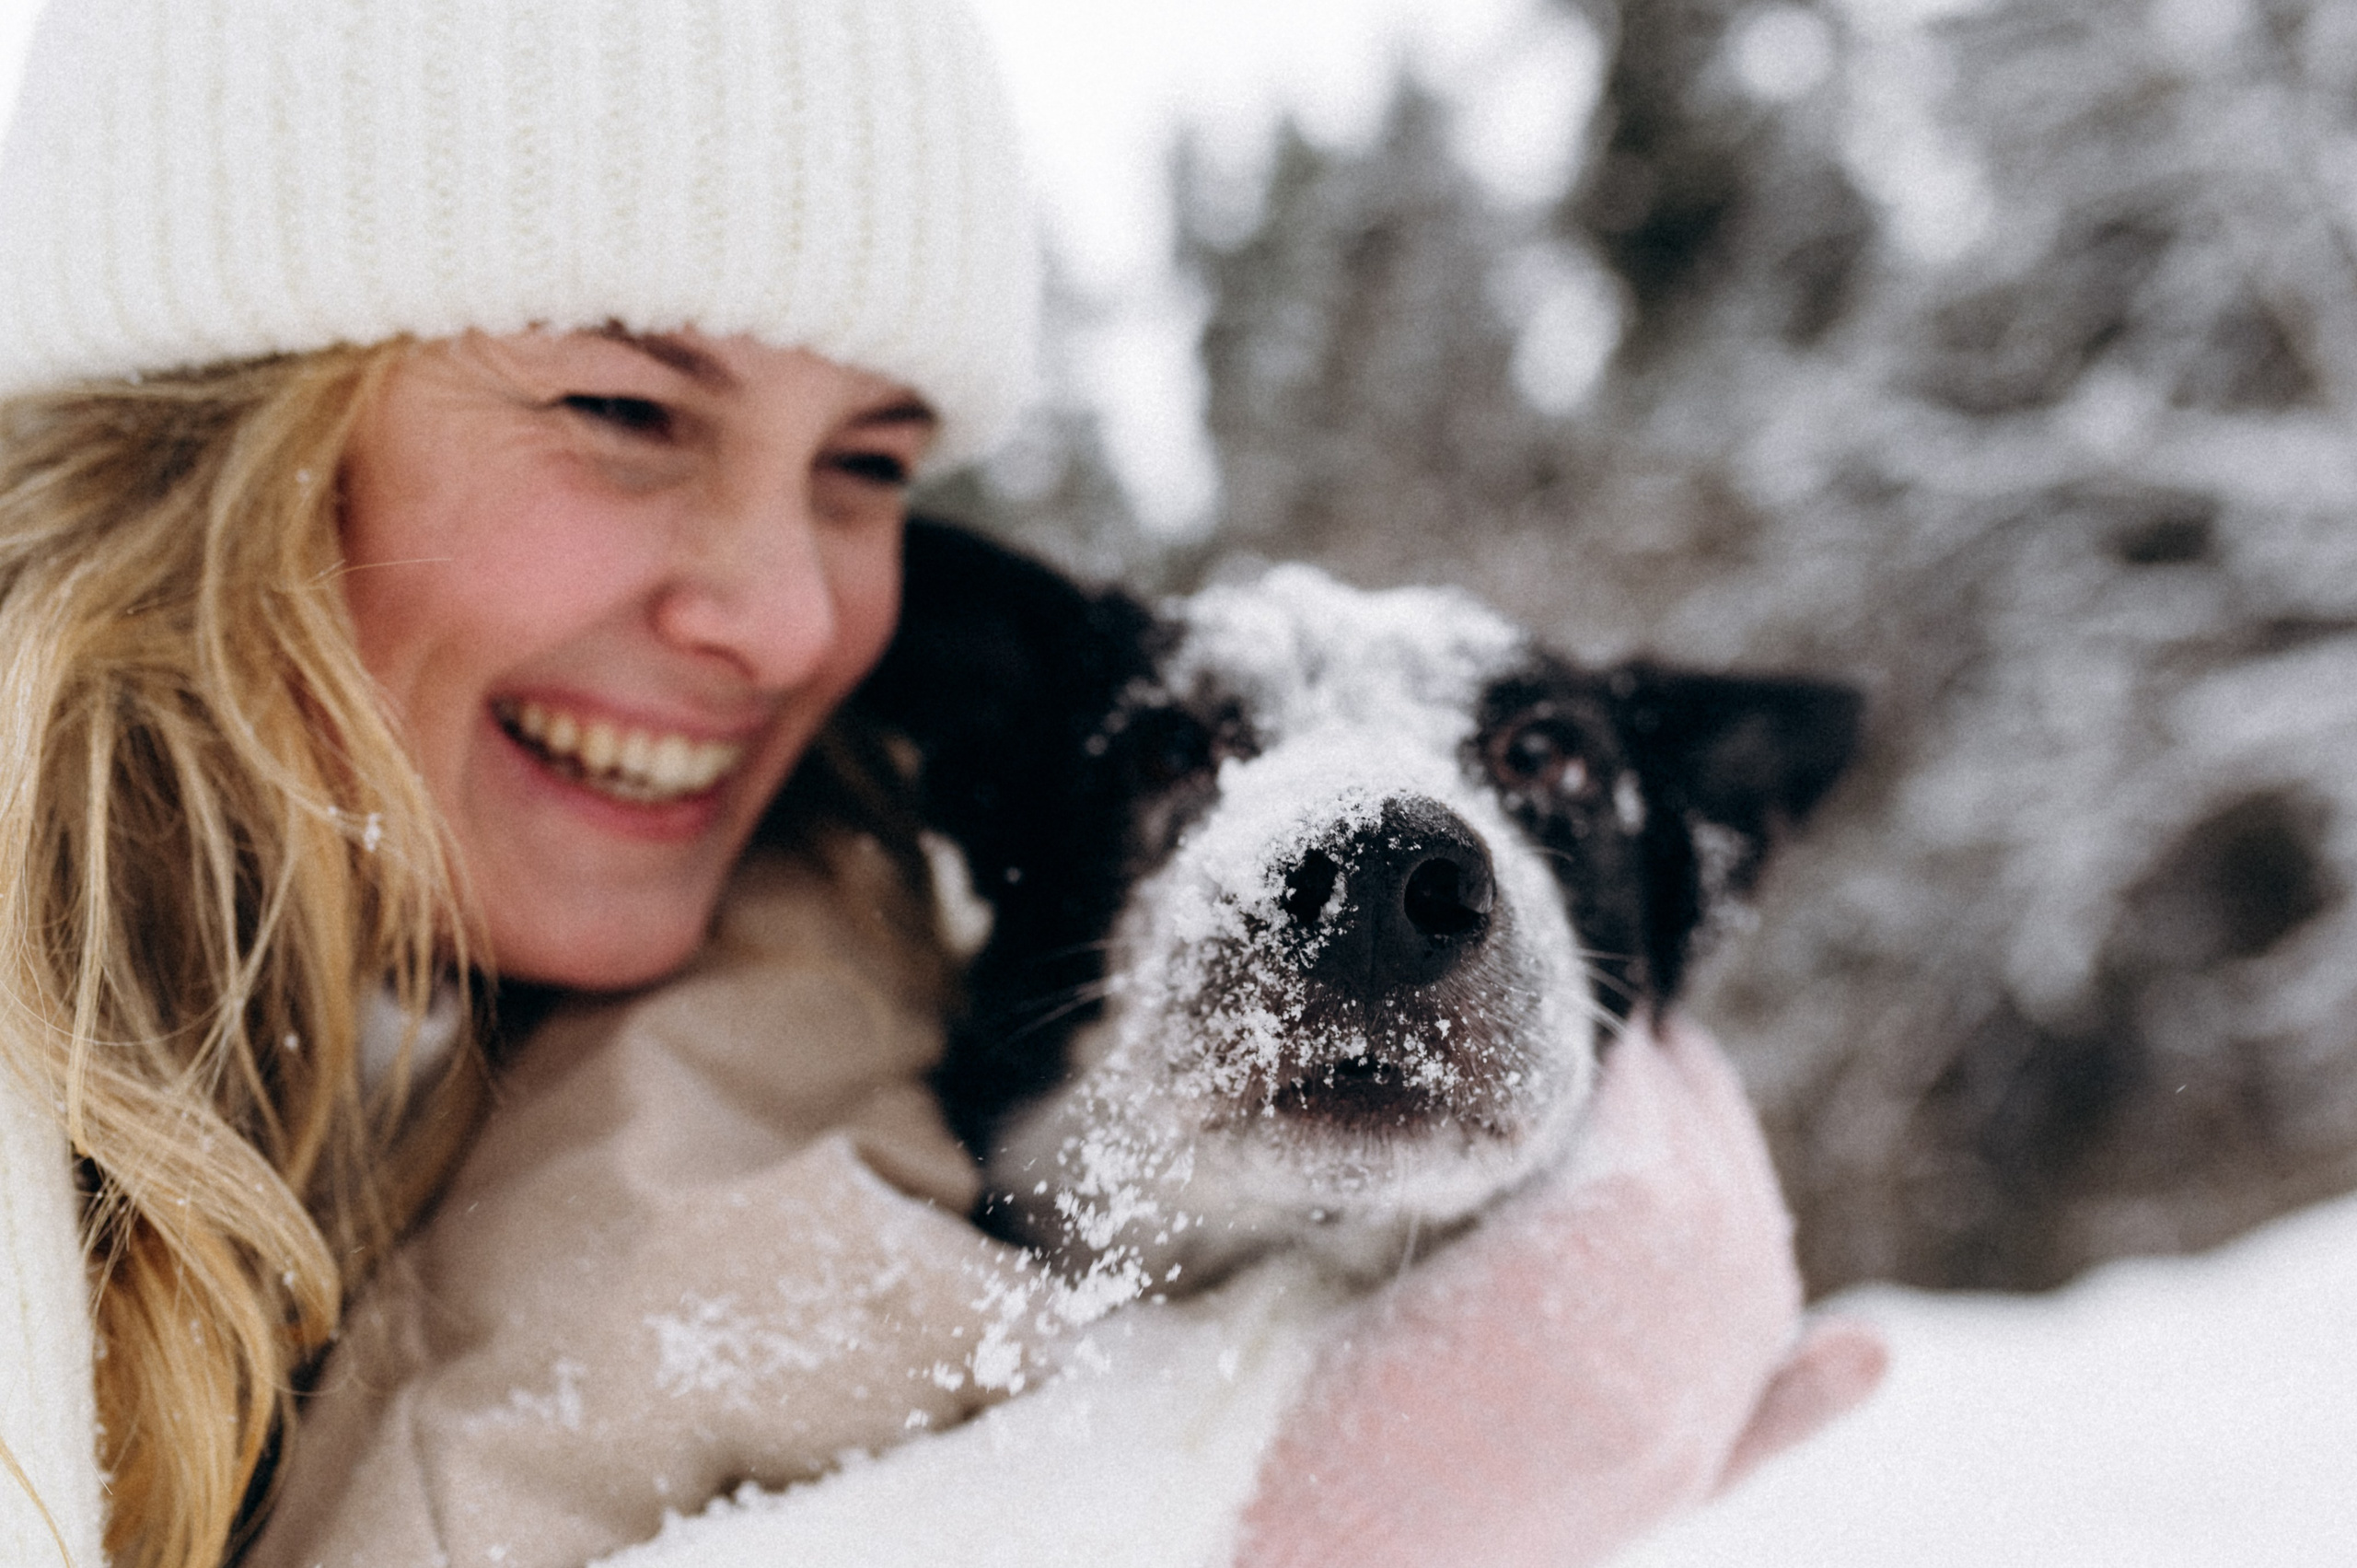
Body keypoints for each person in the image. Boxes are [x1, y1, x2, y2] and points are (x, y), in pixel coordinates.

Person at [0, 3, 1883, 1567]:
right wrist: (1242, 1512)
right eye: (625, 410)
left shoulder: (587, 1040)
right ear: (196, 422)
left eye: (869, 468)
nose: (780, 615)